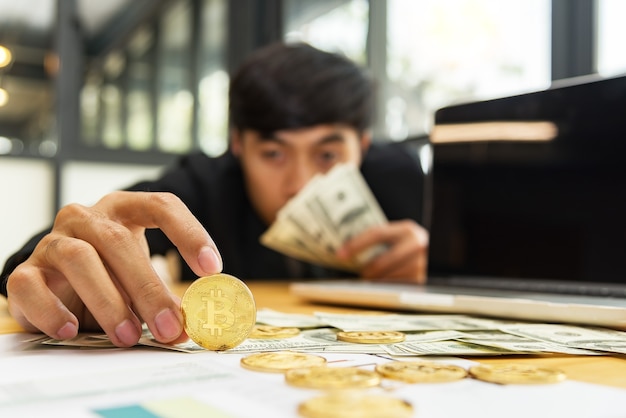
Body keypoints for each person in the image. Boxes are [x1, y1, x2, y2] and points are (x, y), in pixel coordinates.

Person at [0, 42, 429, 348]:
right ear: (238, 145)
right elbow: (43, 260)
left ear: (365, 145)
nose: (299, 184)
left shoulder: (401, 179)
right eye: (274, 152)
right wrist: (52, 284)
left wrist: (445, 269)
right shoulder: (203, 184)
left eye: (328, 154)